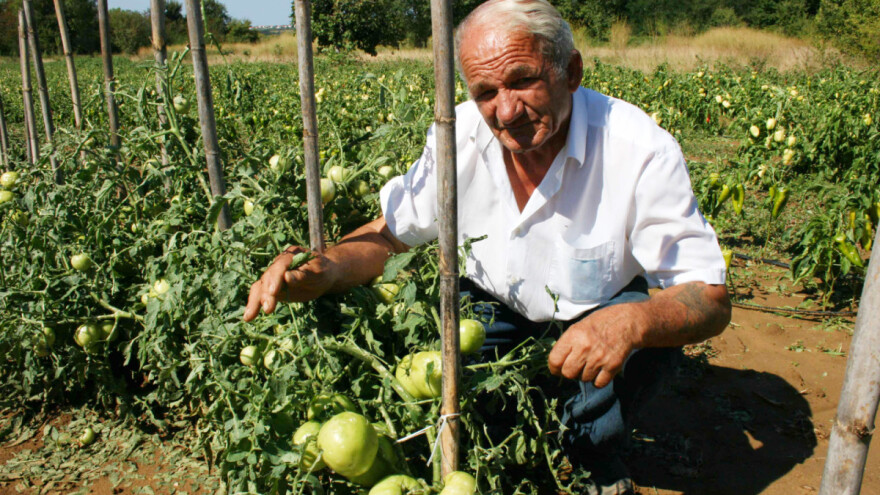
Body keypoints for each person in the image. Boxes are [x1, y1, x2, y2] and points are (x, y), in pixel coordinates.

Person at [245, 0, 731, 492]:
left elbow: (707, 297)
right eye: (486, 91)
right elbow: (390, 235)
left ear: (572, 71)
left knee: (602, 409)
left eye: (522, 80)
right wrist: (326, 269)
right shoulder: (457, 137)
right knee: (483, 422)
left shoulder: (638, 148)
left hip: (602, 309)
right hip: (493, 308)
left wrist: (632, 322)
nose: (506, 110)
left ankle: (596, 457)